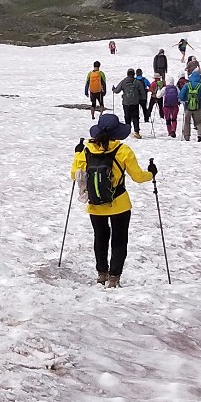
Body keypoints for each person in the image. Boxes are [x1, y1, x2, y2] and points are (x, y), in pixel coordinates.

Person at [72, 111, 157, 288]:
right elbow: (138, 177)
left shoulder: (86, 151)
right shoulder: (123, 150)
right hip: (120, 203)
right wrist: (152, 173)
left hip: (95, 204)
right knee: (119, 240)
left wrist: (76, 155)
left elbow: (75, 175)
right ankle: (114, 278)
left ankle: (101, 273)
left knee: (100, 238)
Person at [181, 68, 201, 141]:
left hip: (188, 106)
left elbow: (181, 96)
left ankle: (187, 136)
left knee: (187, 121)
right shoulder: (200, 85)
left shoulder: (187, 85)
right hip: (198, 106)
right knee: (199, 122)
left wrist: (185, 100)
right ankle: (199, 134)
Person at [116, 67, 143, 134]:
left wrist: (113, 89)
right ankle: (136, 130)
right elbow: (142, 92)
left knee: (127, 116)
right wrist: (141, 99)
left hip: (126, 103)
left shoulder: (124, 81)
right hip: (135, 102)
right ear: (134, 74)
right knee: (135, 117)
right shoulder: (137, 82)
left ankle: (127, 130)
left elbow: (117, 91)